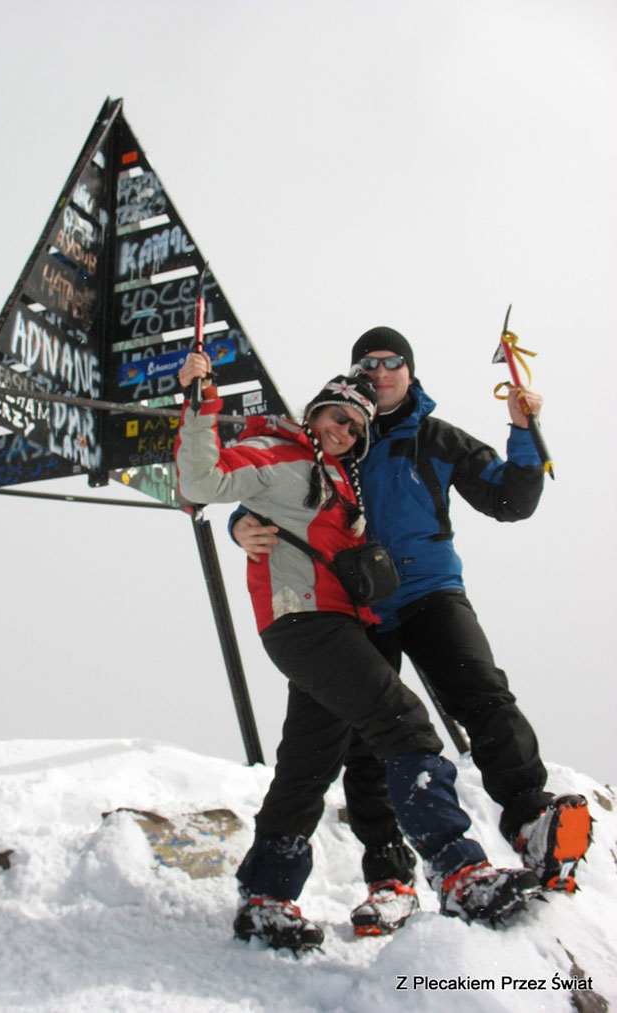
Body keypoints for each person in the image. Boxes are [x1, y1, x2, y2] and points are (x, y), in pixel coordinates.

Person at [231, 325, 592, 937]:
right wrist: (240, 523)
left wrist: (525, 432)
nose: (380, 370)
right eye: (366, 363)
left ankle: (530, 819)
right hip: (348, 609)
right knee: (354, 746)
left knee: (479, 690)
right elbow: (277, 485)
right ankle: (388, 880)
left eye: (391, 360)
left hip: (426, 593)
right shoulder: (338, 437)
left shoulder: (434, 438)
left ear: (409, 371)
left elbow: (510, 499)